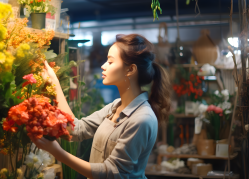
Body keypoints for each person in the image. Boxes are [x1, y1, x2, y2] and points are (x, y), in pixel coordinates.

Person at [31, 34, 171, 179]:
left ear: (130, 70)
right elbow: (75, 129)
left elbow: (111, 172)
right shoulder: (115, 106)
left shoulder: (142, 118)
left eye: (110, 62)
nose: (103, 66)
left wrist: (58, 152)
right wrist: (54, 83)